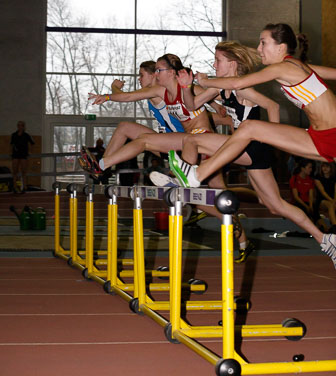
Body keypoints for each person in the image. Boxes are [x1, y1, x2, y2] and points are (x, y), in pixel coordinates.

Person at [165, 23, 336, 267]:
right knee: (274, 205)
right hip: (317, 135)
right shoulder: (294, 66)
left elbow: (237, 83)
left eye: (263, 43)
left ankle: (197, 174)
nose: (259, 49)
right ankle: (327, 240)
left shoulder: (284, 67)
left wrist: (206, 79)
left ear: (281, 47)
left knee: (249, 128)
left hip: (330, 135)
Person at [86, 55, 254, 256]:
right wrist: (105, 97)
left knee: (219, 197)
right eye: (155, 71)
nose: (156, 75)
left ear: (172, 72)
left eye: (158, 71)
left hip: (204, 145)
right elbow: (129, 97)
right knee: (145, 143)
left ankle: (241, 239)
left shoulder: (190, 89)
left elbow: (222, 102)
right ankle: (102, 166)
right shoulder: (160, 91)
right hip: (185, 143)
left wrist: (222, 104)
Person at [289, 159, 319, 223]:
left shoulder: (310, 180)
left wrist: (310, 206)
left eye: (311, 167)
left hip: (307, 202)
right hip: (298, 203)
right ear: (302, 168)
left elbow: (311, 196)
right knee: (305, 210)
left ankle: (325, 228)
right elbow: (296, 197)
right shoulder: (294, 179)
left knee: (314, 210)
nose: (311, 169)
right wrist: (306, 207)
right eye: (309, 167)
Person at [10, 120, 35, 193]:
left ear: (24, 127)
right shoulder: (14, 135)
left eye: (21, 125)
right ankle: (14, 187)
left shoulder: (26, 135)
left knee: (24, 172)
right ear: (17, 126)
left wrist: (30, 151)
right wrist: (10, 152)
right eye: (18, 125)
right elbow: (11, 144)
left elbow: (32, 143)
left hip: (24, 155)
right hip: (15, 155)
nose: (20, 127)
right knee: (15, 172)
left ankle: (24, 187)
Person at [314, 162, 336, 233]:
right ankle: (335, 226)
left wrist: (335, 200)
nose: (325, 168)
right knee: (330, 205)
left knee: (332, 205)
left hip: (332, 200)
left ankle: (332, 225)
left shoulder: (334, 177)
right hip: (321, 200)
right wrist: (332, 201)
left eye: (327, 167)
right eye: (323, 166)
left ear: (331, 168)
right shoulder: (318, 177)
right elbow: (323, 192)